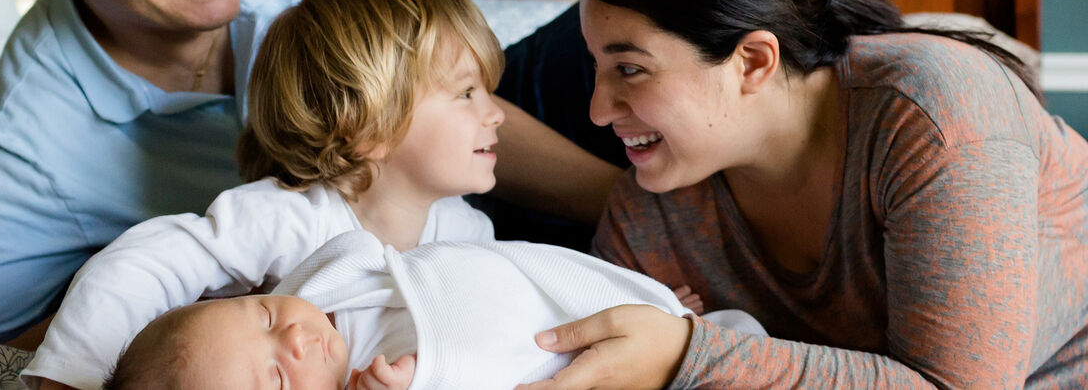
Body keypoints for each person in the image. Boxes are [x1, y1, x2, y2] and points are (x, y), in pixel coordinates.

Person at [0, 0, 619, 347]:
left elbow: (432, 93)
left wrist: (633, 209)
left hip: (463, 137)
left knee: (618, 18)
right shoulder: (24, 145)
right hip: (382, 202)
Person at [22, 0, 710, 389]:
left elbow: (516, 307)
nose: (496, 115)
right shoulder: (287, 215)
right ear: (368, 126)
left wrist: (628, 300)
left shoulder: (463, 227)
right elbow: (146, 263)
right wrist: (71, 377)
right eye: (466, 93)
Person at [515, 0, 1088, 389]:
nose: (597, 111)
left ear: (752, 61)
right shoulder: (646, 220)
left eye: (630, 69)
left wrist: (688, 356)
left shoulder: (934, 115)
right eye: (596, 67)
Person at [93, 230, 763, 390]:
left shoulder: (333, 283)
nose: (294, 336)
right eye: (274, 377)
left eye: (265, 316)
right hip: (579, 364)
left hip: (583, 303)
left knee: (729, 343)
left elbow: (473, 266)